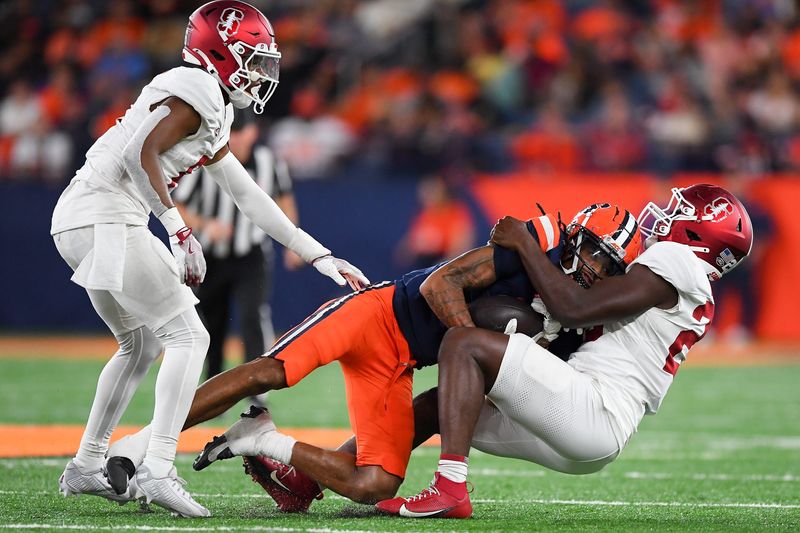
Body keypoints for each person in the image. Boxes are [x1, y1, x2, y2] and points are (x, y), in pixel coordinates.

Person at [109, 203, 641, 511]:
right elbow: (440, 285)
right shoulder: (531, 249)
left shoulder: (578, 318)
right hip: (379, 313)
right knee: (273, 370)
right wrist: (471, 350)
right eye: (594, 251)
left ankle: (259, 438)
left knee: (377, 485)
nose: (596, 268)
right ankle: (138, 446)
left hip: (400, 362)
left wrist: (481, 361)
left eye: (608, 265)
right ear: (576, 239)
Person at [50, 1, 366, 518]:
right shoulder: (196, 86)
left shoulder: (212, 104)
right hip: (104, 215)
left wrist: (318, 254)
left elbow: (249, 197)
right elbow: (137, 154)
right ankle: (156, 468)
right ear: (219, 51)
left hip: (86, 216)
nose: (262, 72)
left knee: (142, 341)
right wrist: (179, 230)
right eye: (253, 58)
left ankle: (87, 462)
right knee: (190, 335)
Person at [376, 184, 753, 519]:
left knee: (464, 344)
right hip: (591, 427)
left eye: (679, 212)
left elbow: (572, 308)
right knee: (445, 402)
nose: (665, 215)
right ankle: (344, 469)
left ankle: (450, 487)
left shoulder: (677, 260)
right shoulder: (689, 284)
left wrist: (525, 242)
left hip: (593, 407)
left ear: (698, 232)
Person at [173, 111, 303, 383]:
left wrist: (294, 243)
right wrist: (206, 224)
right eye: (231, 132)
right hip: (212, 256)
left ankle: (257, 386)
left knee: (252, 315)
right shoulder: (206, 159)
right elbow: (178, 205)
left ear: (253, 133)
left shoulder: (269, 163)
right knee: (211, 321)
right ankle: (212, 383)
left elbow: (284, 200)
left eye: (241, 132)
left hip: (251, 255)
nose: (236, 139)